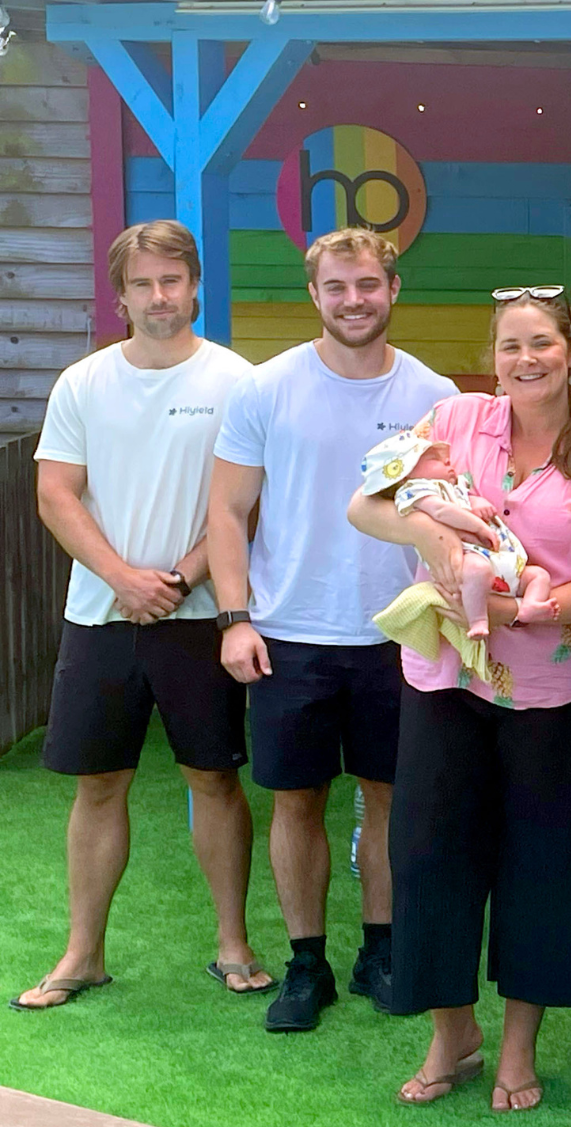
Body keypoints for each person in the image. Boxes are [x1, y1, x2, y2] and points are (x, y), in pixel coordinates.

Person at [347, 287, 571, 1112]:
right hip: (447, 682)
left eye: (541, 343)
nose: (525, 361)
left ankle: (517, 1047)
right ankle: (452, 1036)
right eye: (511, 346)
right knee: (430, 856)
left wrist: (513, 610)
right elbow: (365, 502)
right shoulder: (454, 419)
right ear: (494, 354)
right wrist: (434, 536)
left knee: (546, 869)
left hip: (559, 694)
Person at [208, 225, 458, 1031]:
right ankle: (305, 964)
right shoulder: (265, 389)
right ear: (313, 294)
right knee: (296, 803)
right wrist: (235, 618)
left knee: (390, 801)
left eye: (369, 285)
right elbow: (228, 509)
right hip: (290, 634)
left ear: (394, 289)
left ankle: (379, 953)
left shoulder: (436, 397)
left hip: (400, 634)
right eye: (338, 287)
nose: (355, 300)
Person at [15, 221, 259, 1011]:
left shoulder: (235, 382)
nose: (161, 297)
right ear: (120, 296)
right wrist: (123, 578)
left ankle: (233, 946)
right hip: (101, 615)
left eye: (173, 280)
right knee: (99, 785)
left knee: (214, 780)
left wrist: (182, 578)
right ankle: (83, 953)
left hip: (201, 617)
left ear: (196, 285)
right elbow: (56, 493)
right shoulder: (83, 383)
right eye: (145, 284)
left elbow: (246, 504)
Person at [363, 434, 558, 638]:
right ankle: (478, 619)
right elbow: (442, 511)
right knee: (477, 570)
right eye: (433, 459)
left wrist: (477, 503)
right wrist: (479, 527)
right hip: (467, 555)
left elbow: (463, 504)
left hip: (501, 560)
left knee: (538, 575)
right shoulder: (415, 491)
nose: (447, 461)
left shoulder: (455, 487)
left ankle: (529, 606)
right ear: (405, 475)